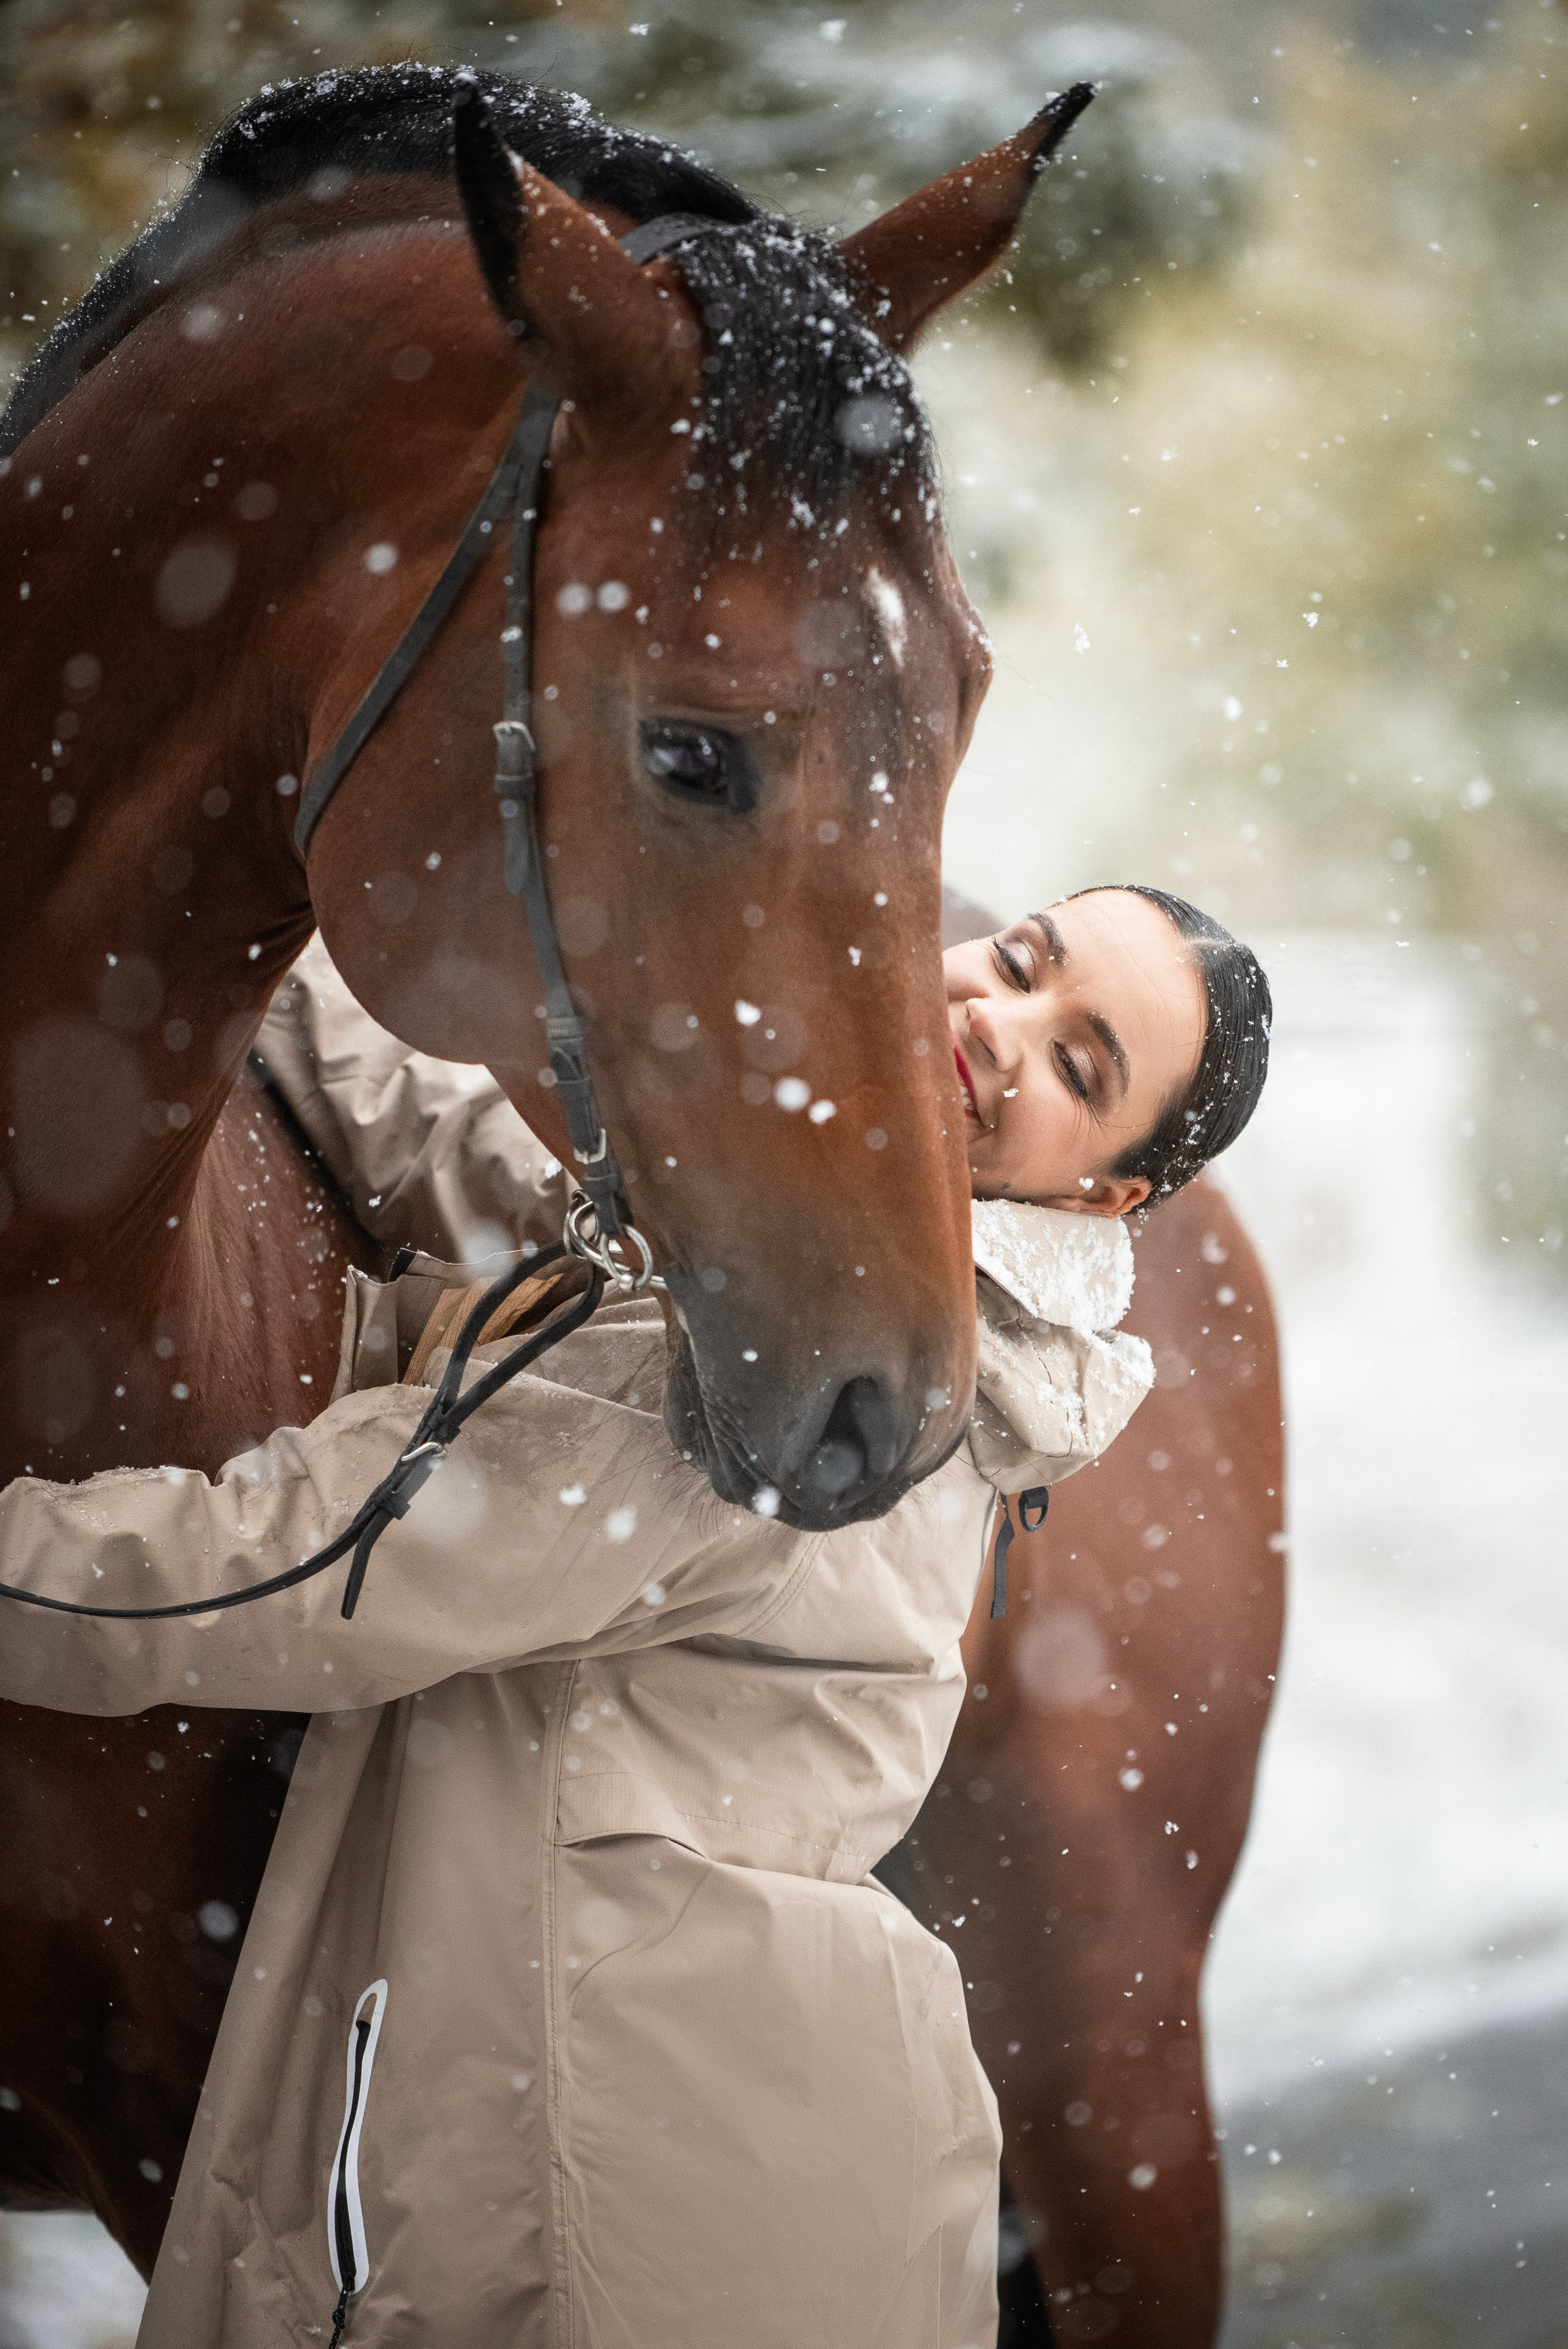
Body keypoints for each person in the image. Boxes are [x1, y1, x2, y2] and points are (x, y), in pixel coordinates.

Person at [0, 887, 1268, 2349]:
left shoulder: (820, 1395)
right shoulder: (825, 1254)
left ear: (1100, 1195)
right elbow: (504, 1179)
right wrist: (227, 920)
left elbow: (311, 1566)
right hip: (726, 2162)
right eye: (1023, 960)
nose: (996, 1018)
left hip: (628, 2225)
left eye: (1077, 1065)